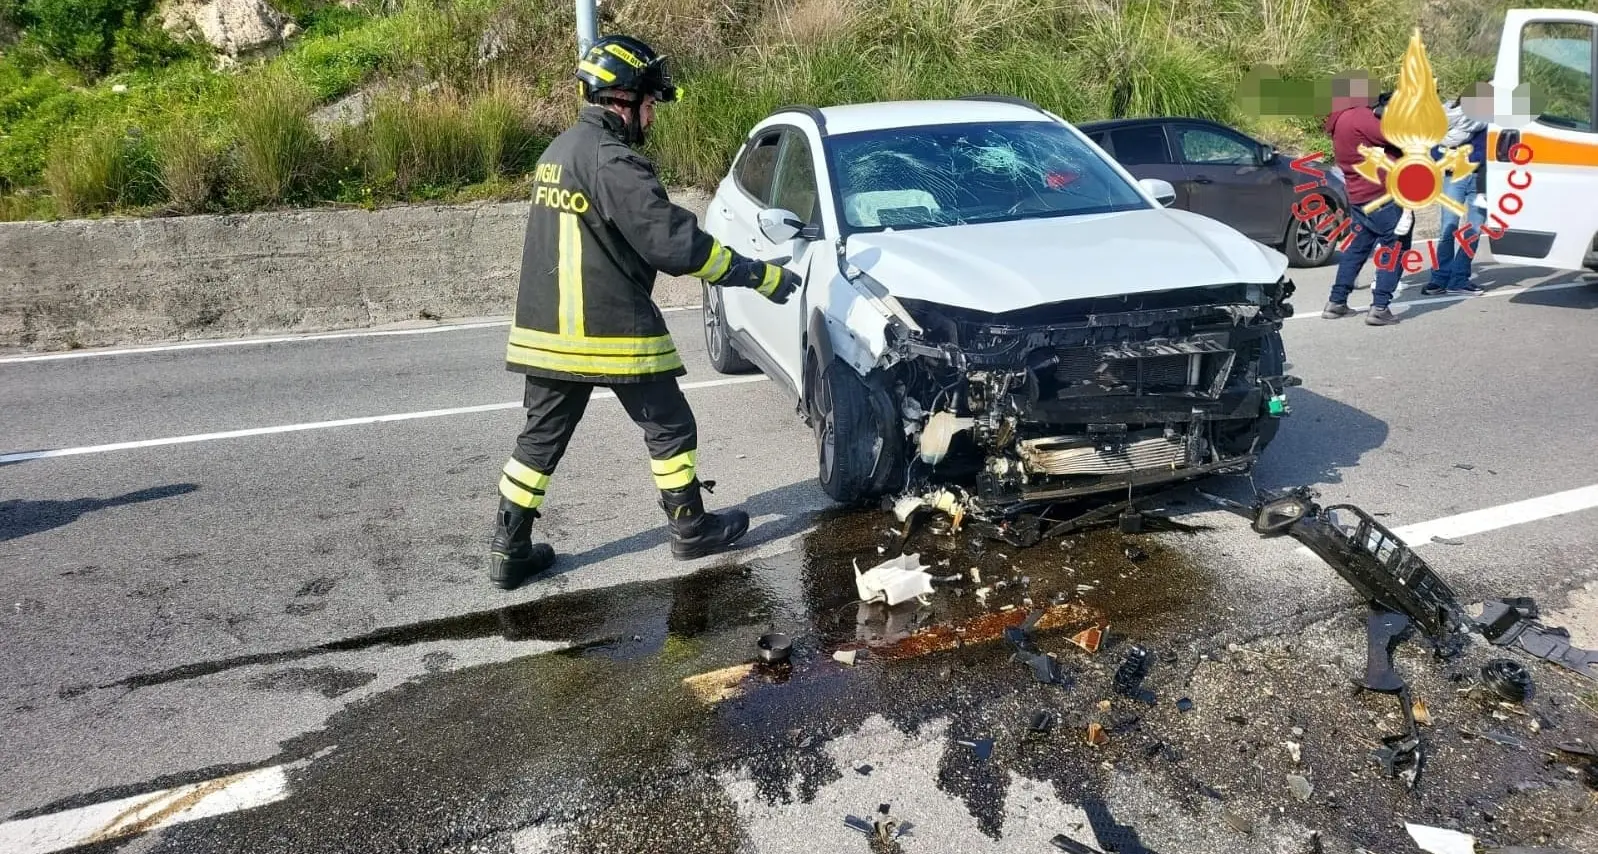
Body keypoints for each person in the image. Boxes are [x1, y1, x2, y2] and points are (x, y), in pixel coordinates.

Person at [486, 33, 800, 590]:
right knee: (671, 424)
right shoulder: (614, 161)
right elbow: (673, 244)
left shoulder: (557, 153)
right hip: (608, 327)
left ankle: (509, 549)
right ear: (623, 100)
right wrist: (759, 274)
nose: (651, 118)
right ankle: (690, 528)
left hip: (545, 331)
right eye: (650, 105)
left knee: (538, 440)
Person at [1322, 74, 1409, 326]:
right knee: (1395, 247)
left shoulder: (1338, 120)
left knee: (1357, 249)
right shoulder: (1359, 116)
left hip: (1358, 194)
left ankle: (1337, 301)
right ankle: (1380, 306)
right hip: (1382, 194)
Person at [1423, 83, 1491, 296]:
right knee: (1447, 228)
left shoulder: (1490, 120)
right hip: (1455, 177)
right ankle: (1440, 278)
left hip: (1482, 179)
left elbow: (1489, 148)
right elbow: (1434, 149)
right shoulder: (1447, 119)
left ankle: (1459, 278)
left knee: (1474, 229)